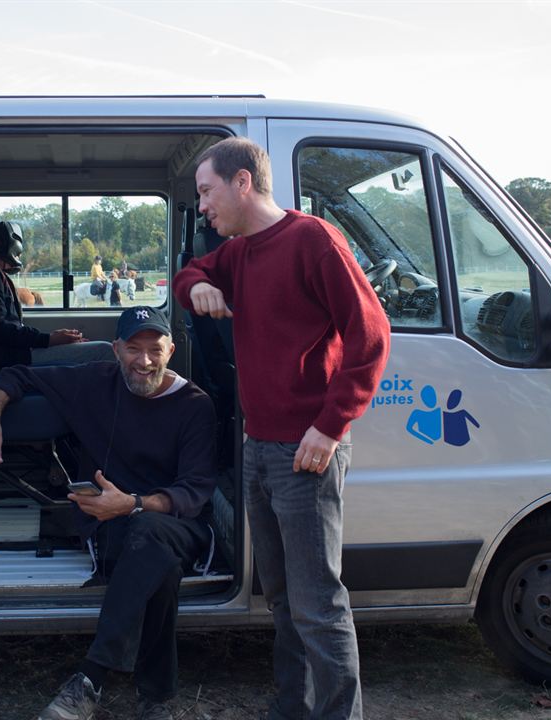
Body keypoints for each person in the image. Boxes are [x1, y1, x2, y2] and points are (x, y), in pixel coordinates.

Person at [173, 138, 391, 720]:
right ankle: (293, 708)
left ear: (243, 182)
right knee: (284, 601)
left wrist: (329, 426)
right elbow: (188, 272)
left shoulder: (313, 240)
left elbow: (371, 337)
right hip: (258, 450)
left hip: (307, 452)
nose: (201, 206)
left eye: (206, 191)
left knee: (319, 605)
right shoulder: (239, 252)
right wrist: (196, 286)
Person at [0, 306, 217, 720]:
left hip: (177, 524)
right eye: (133, 349)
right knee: (162, 569)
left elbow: (193, 492)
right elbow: (16, 374)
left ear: (171, 350)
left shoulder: (195, 404)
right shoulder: (93, 382)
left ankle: (91, 679)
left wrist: (134, 503)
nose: (144, 361)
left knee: (152, 532)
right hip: (112, 523)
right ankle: (156, 700)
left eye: (154, 350)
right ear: (115, 350)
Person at [0, 219, 113, 374]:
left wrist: (50, 340)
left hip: (14, 352)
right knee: (105, 351)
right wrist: (48, 340)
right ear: (0, 242)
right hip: (13, 358)